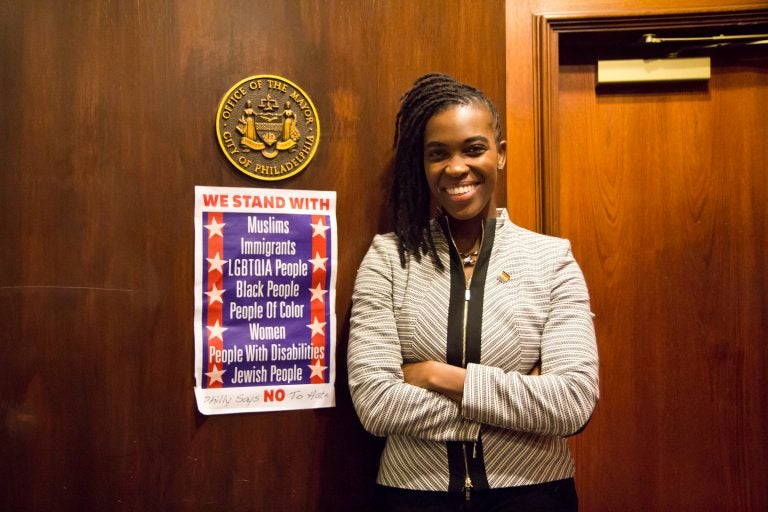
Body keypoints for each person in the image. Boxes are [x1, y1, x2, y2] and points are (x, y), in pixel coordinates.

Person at [347, 73, 599, 511]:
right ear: (423, 165)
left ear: (500, 154)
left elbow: (572, 403)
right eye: (437, 154)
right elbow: (375, 403)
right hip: (412, 495)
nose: (456, 167)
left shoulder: (552, 260)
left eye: (474, 148)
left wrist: (435, 376)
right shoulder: (388, 259)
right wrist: (522, 404)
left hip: (534, 494)